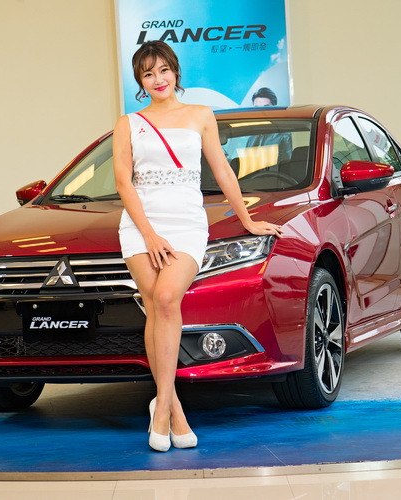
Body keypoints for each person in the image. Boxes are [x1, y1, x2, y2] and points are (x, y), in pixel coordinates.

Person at [113, 40, 283, 452]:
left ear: (175, 72)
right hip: (140, 227)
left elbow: (222, 169)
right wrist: (149, 234)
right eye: (148, 74)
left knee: (167, 298)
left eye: (163, 70)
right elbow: (123, 182)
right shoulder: (128, 123)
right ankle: (172, 410)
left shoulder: (201, 115)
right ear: (140, 81)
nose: (158, 79)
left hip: (187, 223)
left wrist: (246, 219)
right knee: (154, 306)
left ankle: (162, 405)